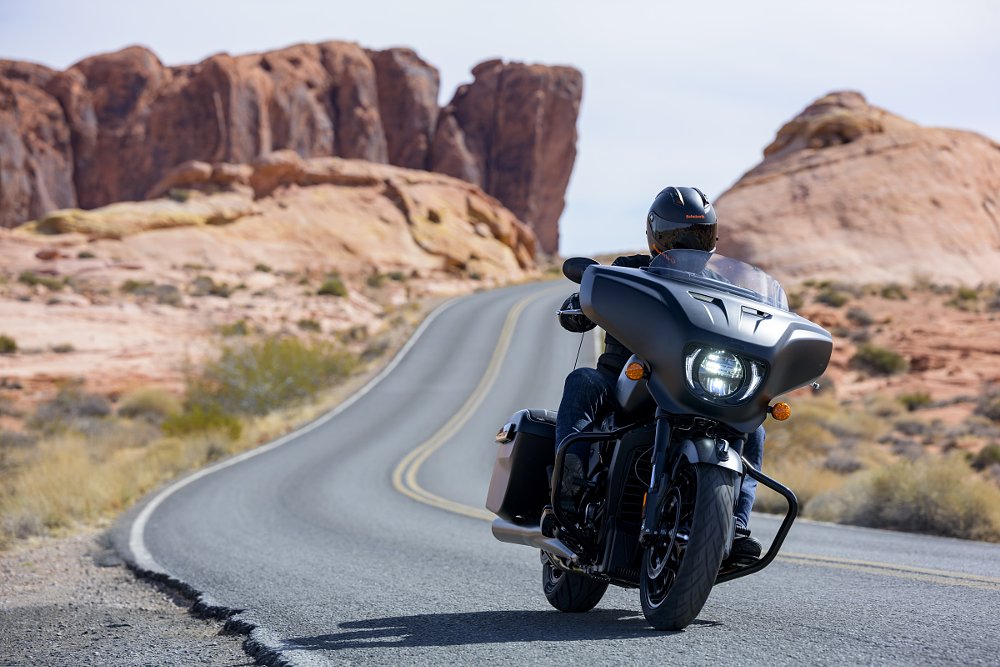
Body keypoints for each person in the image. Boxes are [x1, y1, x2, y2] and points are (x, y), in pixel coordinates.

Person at [555, 186, 764, 562]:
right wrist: (581, 303)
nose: (688, 245)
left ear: (712, 239)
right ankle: (571, 494)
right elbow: (592, 297)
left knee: (754, 427)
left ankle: (734, 524)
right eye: (678, 236)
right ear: (656, 236)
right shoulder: (628, 271)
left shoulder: (725, 289)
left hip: (693, 386)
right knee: (583, 382)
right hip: (625, 379)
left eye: (698, 235)